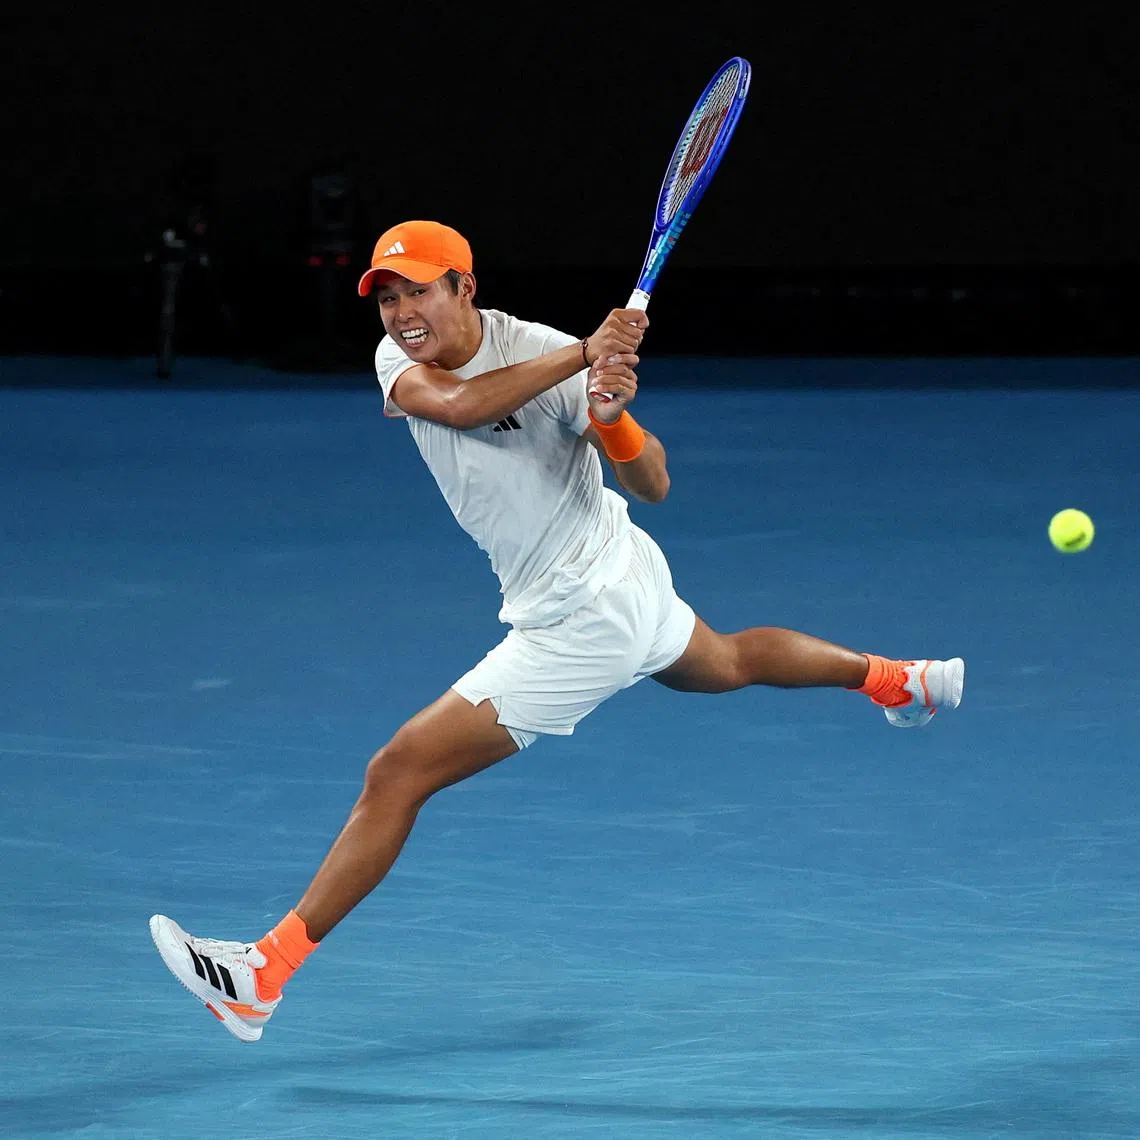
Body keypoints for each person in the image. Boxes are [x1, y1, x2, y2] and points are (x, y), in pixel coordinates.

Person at [150, 220, 965, 1042]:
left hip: (586, 614)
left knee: (397, 772)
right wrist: (584, 355)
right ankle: (900, 680)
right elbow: (464, 405)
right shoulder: (405, 360)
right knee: (722, 661)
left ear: (466, 288)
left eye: (419, 291)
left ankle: (262, 976)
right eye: (388, 298)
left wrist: (610, 420)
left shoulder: (539, 348)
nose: (400, 313)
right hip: (623, 581)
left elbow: (653, 483)